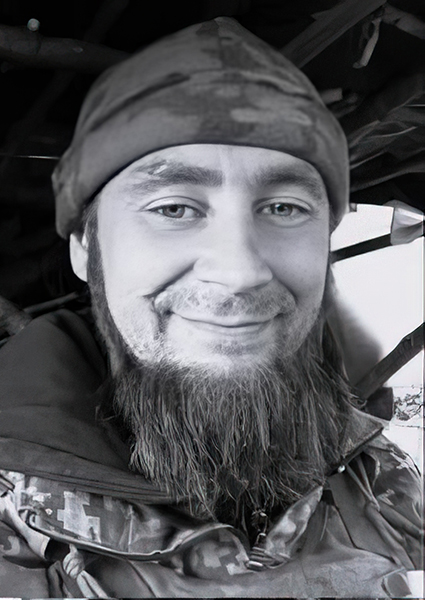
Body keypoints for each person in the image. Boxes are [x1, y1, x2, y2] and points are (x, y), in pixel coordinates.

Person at [0, 16, 422, 599]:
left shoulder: (375, 469)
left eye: (284, 208)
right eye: (173, 208)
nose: (240, 270)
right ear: (85, 247)